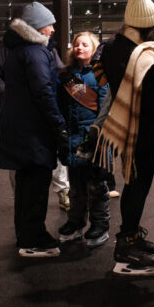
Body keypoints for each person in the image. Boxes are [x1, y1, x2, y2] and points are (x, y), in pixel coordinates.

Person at [91, 0, 154, 276]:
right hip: (141, 127)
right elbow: (151, 96)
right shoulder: (143, 52)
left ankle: (131, 235)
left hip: (121, 123)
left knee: (133, 183)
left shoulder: (111, 46)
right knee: (138, 184)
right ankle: (127, 245)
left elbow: (105, 81)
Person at [0, 1, 68, 258]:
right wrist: (58, 124)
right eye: (49, 25)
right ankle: (33, 239)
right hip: (33, 130)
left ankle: (25, 234)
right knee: (36, 185)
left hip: (20, 127)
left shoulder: (19, 49)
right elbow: (44, 92)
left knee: (25, 186)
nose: (52, 29)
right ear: (38, 27)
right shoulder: (36, 53)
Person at [56, 32, 111, 248]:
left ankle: (100, 224)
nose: (80, 48)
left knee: (96, 185)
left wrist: (98, 133)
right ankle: (75, 221)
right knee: (75, 186)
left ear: (93, 48)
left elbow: (105, 106)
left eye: (85, 45)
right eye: (77, 44)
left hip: (92, 136)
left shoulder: (100, 74)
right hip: (72, 137)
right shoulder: (66, 75)